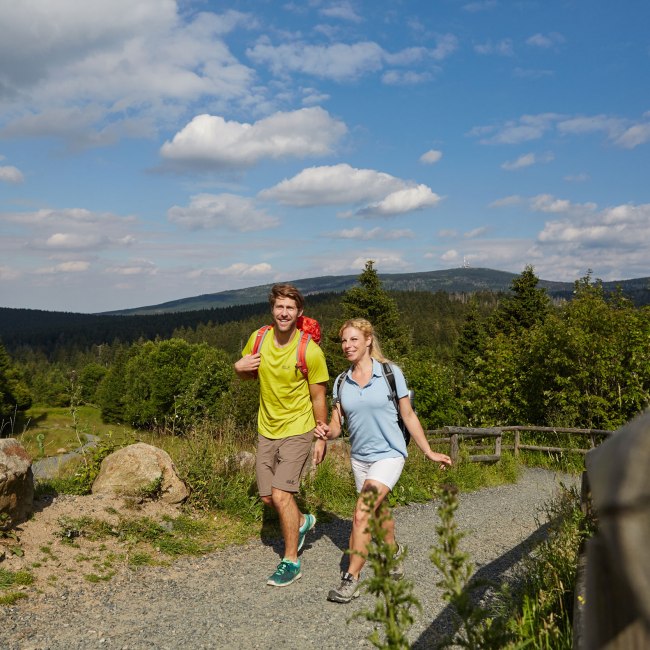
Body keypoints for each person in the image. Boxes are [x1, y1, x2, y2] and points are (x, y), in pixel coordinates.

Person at [314, 318, 452, 603]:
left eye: (353, 339)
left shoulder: (390, 373)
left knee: (361, 512)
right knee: (379, 511)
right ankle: (394, 553)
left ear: (367, 340)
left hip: (390, 454)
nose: (347, 345)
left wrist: (428, 452)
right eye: (343, 341)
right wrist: (326, 432)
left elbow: (408, 415)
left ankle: (350, 579)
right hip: (360, 459)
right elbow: (338, 426)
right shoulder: (342, 381)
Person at [235, 283, 329, 587]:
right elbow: (247, 371)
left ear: (298, 312)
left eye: (290, 308)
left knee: (282, 493)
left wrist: (321, 436)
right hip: (267, 428)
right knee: (267, 496)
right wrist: (238, 368)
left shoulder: (309, 350)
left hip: (298, 429)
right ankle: (301, 521)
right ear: (272, 309)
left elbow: (318, 396)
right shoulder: (258, 338)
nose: (284, 312)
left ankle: (291, 561)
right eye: (279, 307)